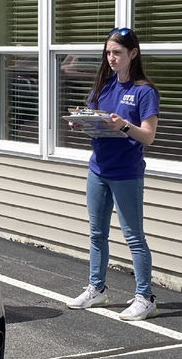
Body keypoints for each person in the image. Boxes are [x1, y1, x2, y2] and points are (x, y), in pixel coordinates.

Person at [66, 27, 160, 321]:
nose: (111, 58)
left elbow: (148, 136)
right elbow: (95, 118)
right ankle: (97, 289)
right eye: (108, 53)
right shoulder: (103, 87)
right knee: (97, 233)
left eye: (117, 52)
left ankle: (145, 297)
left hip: (126, 173)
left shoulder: (144, 91)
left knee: (133, 236)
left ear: (133, 54)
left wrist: (122, 125)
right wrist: (81, 122)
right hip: (98, 170)